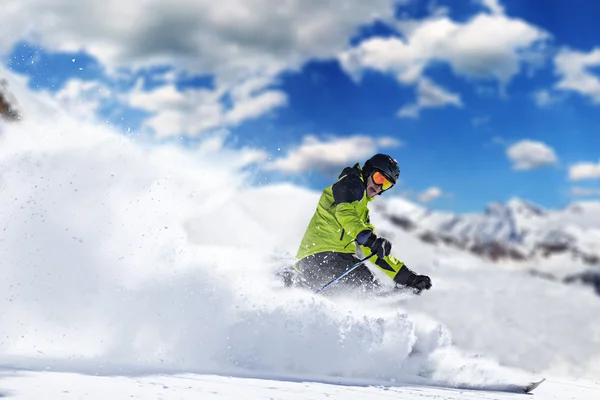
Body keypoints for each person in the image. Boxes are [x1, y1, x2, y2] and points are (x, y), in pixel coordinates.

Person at [284, 153, 432, 295]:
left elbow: (372, 251)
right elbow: (345, 213)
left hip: (314, 262)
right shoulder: (349, 184)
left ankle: (294, 288)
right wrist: (365, 237)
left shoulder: (361, 211)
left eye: (386, 185)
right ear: (368, 171)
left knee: (356, 292)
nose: (379, 187)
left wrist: (408, 277)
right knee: (368, 287)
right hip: (324, 256)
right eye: (379, 178)